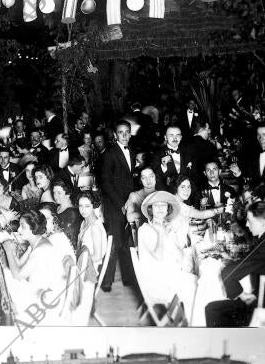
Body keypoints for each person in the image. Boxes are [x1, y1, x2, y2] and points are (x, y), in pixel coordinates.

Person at [205, 199, 265, 326]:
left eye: (250, 221)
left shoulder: (262, 248)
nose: (247, 225)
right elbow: (252, 261)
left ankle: (227, 344)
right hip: (260, 299)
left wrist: (242, 295)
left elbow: (227, 274)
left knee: (212, 309)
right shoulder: (262, 241)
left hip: (260, 309)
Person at [138, 191, 197, 319]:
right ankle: (190, 323)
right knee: (197, 287)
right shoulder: (144, 230)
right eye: (156, 205)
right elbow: (159, 257)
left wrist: (172, 236)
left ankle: (190, 320)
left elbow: (179, 255)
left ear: (168, 209)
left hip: (168, 275)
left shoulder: (166, 227)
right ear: (150, 209)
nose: (160, 209)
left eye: (163, 205)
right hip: (156, 282)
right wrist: (160, 234)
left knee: (199, 281)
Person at [2, 209, 69, 323]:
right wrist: (12, 251)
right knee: (6, 272)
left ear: (33, 228)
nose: (18, 230)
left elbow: (18, 275)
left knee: (6, 274)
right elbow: (19, 265)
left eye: (22, 226)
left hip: (45, 302)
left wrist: (8, 252)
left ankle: (14, 312)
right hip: (41, 291)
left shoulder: (41, 250)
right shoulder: (38, 242)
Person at [99, 119, 135, 291]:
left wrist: (131, 202)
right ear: (115, 135)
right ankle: (106, 281)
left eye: (127, 132)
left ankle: (128, 278)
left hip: (129, 203)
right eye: (121, 132)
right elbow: (106, 183)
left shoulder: (132, 151)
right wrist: (121, 204)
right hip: (115, 205)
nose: (125, 135)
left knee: (128, 240)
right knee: (113, 241)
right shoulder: (109, 153)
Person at [77, 191, 108, 272]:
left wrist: (78, 260)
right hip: (82, 265)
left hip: (89, 270)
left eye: (87, 206)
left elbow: (97, 257)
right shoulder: (84, 222)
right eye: (80, 206)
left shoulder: (95, 227)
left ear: (94, 206)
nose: (83, 210)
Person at [52, 178, 83, 251]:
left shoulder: (72, 214)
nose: (55, 196)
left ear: (68, 194)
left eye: (59, 193)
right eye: (54, 192)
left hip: (66, 250)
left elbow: (67, 240)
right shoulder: (58, 207)